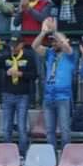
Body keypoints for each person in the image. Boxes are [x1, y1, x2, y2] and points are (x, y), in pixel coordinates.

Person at [32, 18, 76, 151]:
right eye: (52, 41)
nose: (54, 43)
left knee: (64, 129)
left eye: (56, 41)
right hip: (49, 96)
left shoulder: (70, 54)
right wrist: (43, 33)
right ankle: (51, 156)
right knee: (49, 130)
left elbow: (65, 45)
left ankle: (66, 157)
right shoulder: (50, 53)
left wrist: (55, 31)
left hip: (63, 97)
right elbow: (34, 46)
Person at [0, 37, 36, 156]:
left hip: (22, 95)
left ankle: (23, 154)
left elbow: (34, 75)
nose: (13, 48)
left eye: (15, 45)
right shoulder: (6, 57)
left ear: (21, 45)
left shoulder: (29, 57)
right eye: (11, 45)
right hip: (7, 94)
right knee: (6, 127)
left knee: (22, 127)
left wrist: (20, 74)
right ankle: (8, 155)